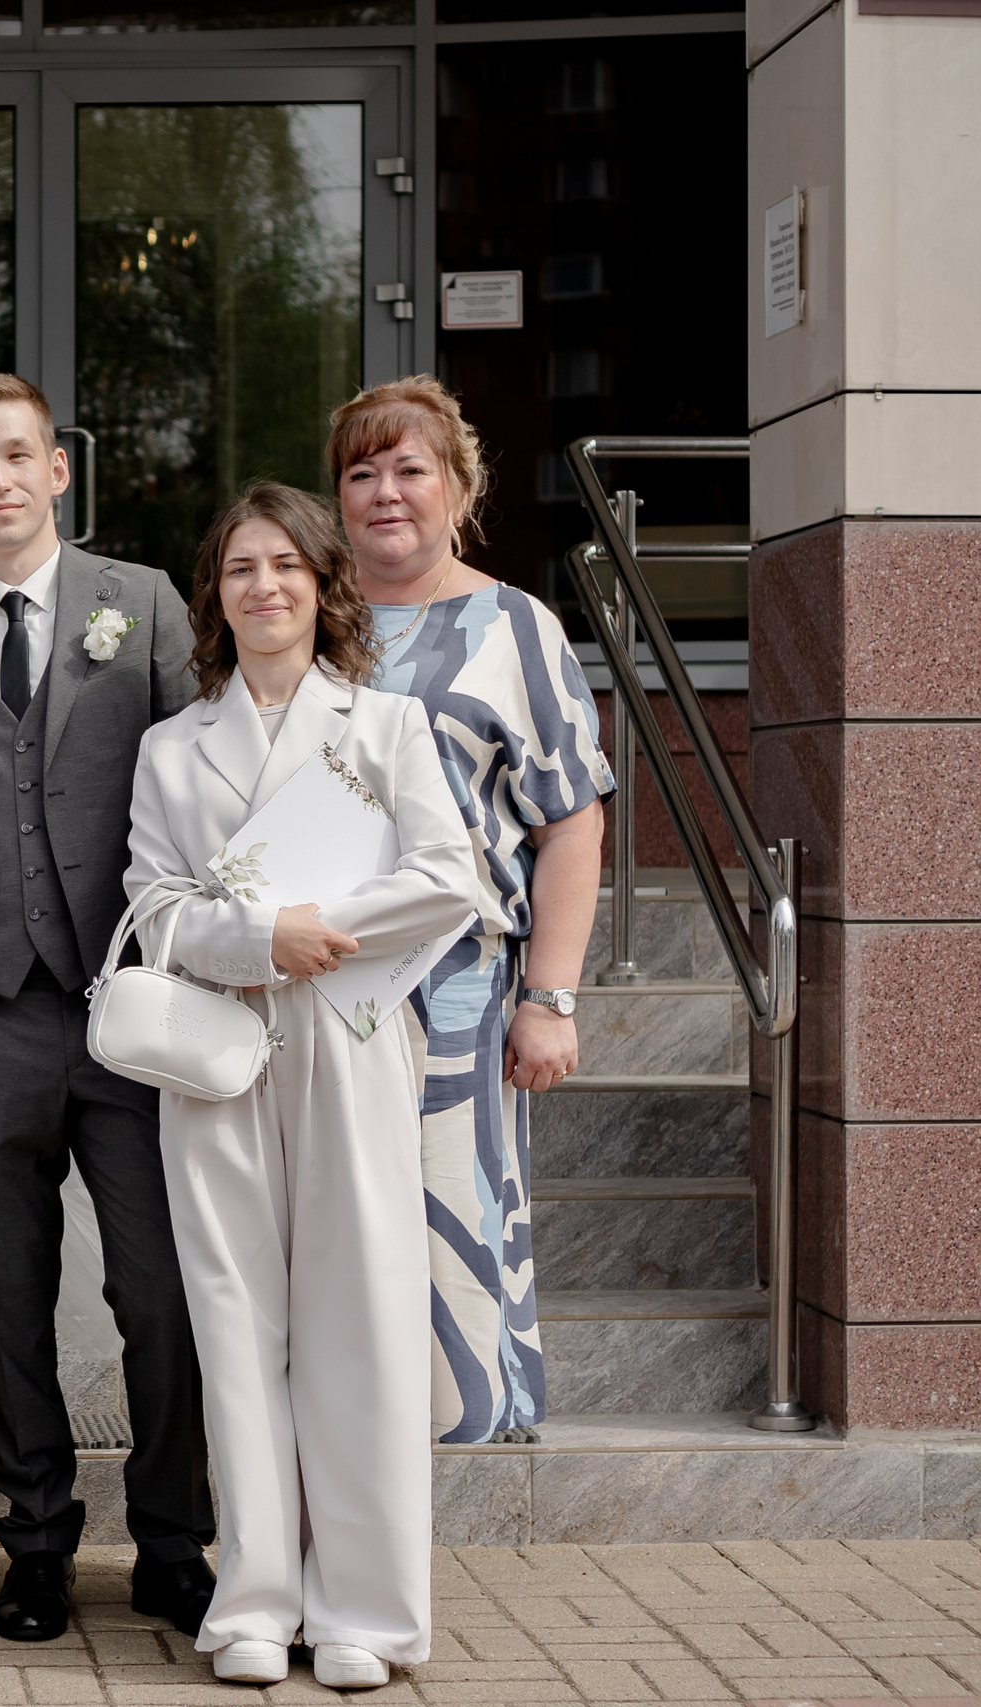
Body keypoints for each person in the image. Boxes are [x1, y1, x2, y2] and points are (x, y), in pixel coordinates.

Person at [122, 483, 476, 1688]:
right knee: (235, 1324)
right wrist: (257, 939)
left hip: (349, 1035)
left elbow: (448, 876)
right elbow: (153, 910)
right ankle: (255, 1604)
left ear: (322, 585)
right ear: (213, 598)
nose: (262, 586)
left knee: (361, 1319)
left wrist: (315, 929)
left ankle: (366, 1615)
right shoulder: (172, 747)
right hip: (217, 1049)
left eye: (284, 566)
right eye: (238, 570)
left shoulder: (386, 728)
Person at [0, 372, 215, 1644]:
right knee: (2, 1294)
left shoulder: (139, 606)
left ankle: (173, 1539)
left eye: (18, 456)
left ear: (58, 469)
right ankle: (33, 1540)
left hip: (128, 1005)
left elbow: (208, 772)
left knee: (160, 1290)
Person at [331, 375, 611, 1446]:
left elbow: (570, 825)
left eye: (409, 470)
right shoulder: (312, 615)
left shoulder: (515, 627)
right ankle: (353, 1433)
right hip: (324, 973)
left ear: (458, 486)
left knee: (451, 1207)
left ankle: (458, 1431)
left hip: (458, 988)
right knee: (341, 1216)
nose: (385, 494)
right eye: (362, 474)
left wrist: (550, 996)